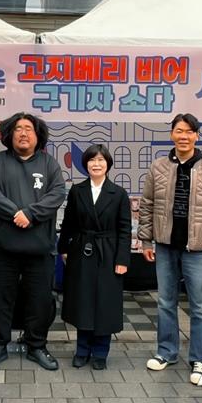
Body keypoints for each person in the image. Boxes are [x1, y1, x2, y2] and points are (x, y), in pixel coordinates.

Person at [137, 113, 202, 385]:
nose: (184, 136)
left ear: (197, 136)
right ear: (171, 134)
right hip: (166, 246)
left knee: (200, 306)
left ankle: (199, 358)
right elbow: (147, 205)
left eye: (189, 131)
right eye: (179, 130)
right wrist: (146, 240)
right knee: (166, 301)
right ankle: (166, 352)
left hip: (198, 249)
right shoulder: (158, 167)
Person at [0, 112, 66, 371]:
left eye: (29, 128)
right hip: (3, 247)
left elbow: (57, 193)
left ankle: (36, 345)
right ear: (10, 134)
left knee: (39, 299)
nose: (24, 133)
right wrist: (14, 212)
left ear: (38, 135)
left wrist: (31, 214)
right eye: (18, 128)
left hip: (39, 248)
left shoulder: (49, 163)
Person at [58, 144, 131, 370]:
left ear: (108, 164)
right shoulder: (77, 190)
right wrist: (64, 248)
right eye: (92, 160)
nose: (96, 164)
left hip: (109, 252)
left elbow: (125, 229)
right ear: (86, 164)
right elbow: (68, 222)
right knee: (83, 301)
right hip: (82, 251)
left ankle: (100, 352)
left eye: (100, 160)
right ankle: (82, 350)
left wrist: (122, 260)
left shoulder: (118, 193)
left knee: (105, 303)